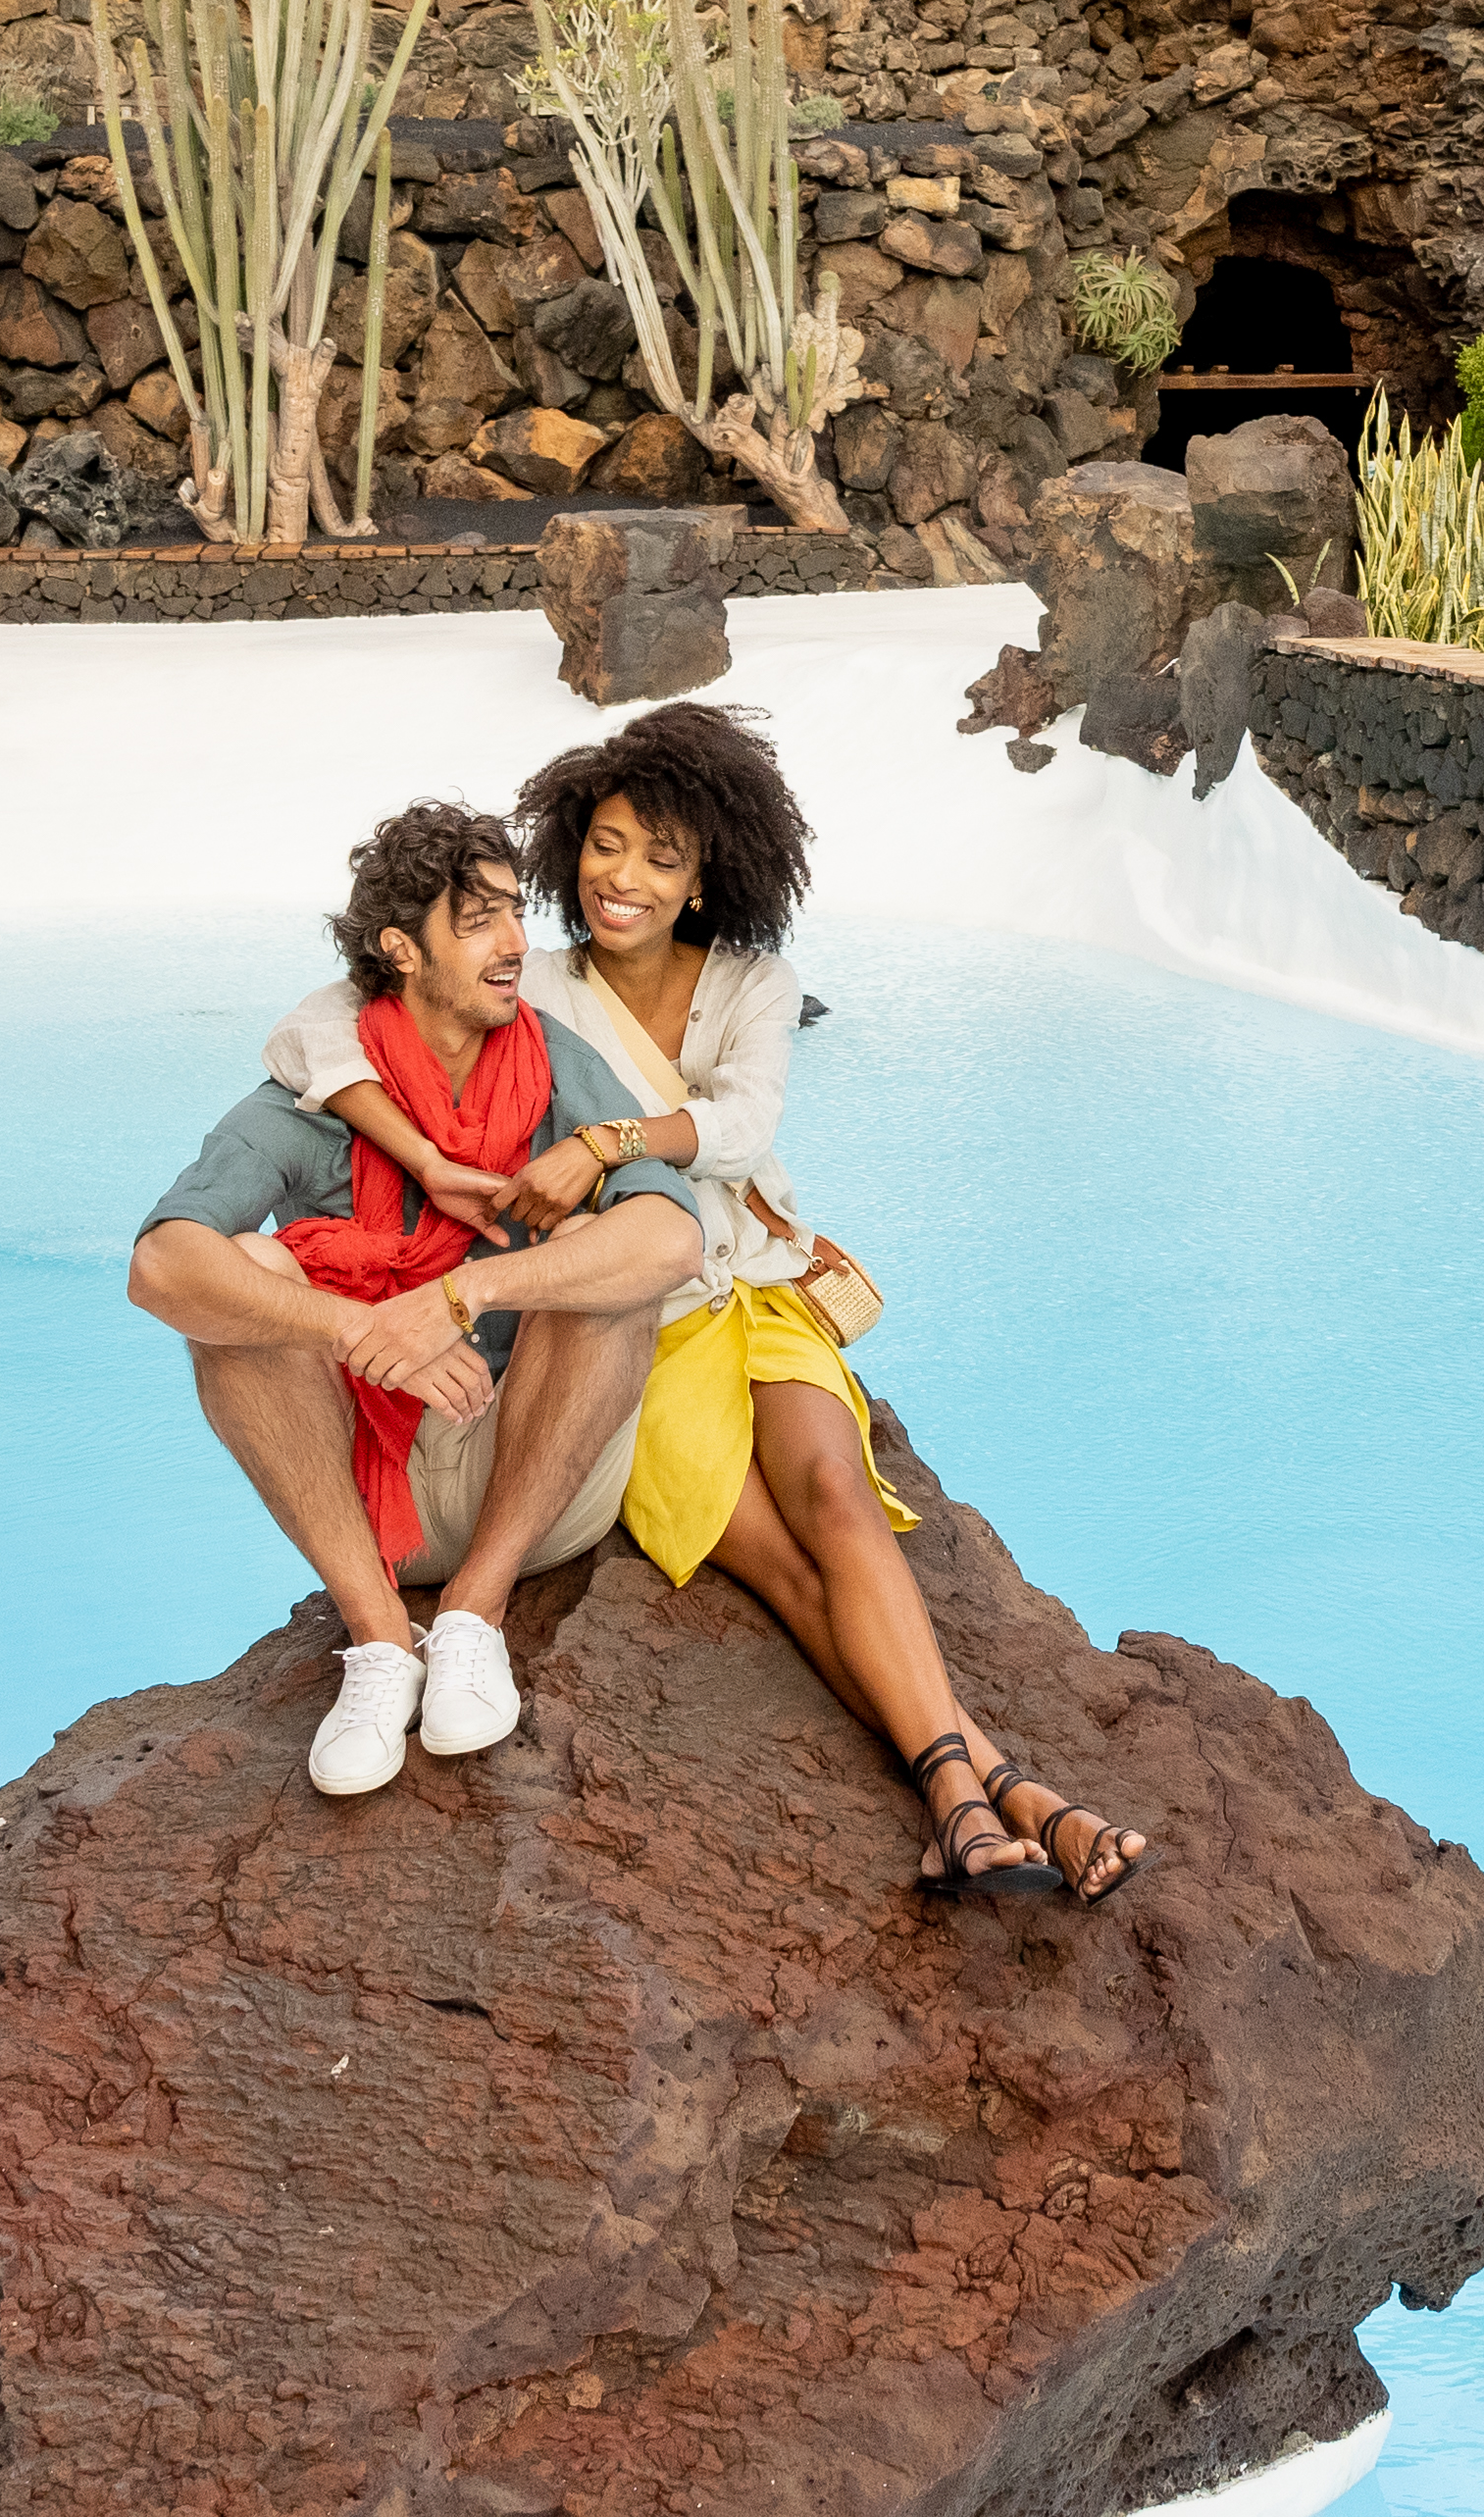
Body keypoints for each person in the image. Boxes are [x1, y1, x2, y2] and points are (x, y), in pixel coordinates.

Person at [268, 701, 1142, 1907]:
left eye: (660, 858)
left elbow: (743, 1126)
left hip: (764, 1286)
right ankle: (984, 1788)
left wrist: (608, 1139)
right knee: (781, 1568)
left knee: (837, 1494)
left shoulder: (754, 983)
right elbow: (320, 1023)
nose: (620, 876)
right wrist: (417, 1157)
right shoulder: (535, 984)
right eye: (606, 843)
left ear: (705, 880)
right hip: (650, 1314)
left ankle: (979, 1796)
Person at [127, 802, 704, 1799]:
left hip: (530, 1474)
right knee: (243, 1278)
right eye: (477, 919)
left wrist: (462, 1291)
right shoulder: (312, 1095)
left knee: (596, 1254)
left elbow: (672, 1237)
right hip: (358, 1495)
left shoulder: (558, 1066)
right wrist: (351, 1328)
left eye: (515, 912)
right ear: (401, 947)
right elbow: (161, 1267)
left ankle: (474, 1617)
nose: (515, 942)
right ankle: (382, 1640)